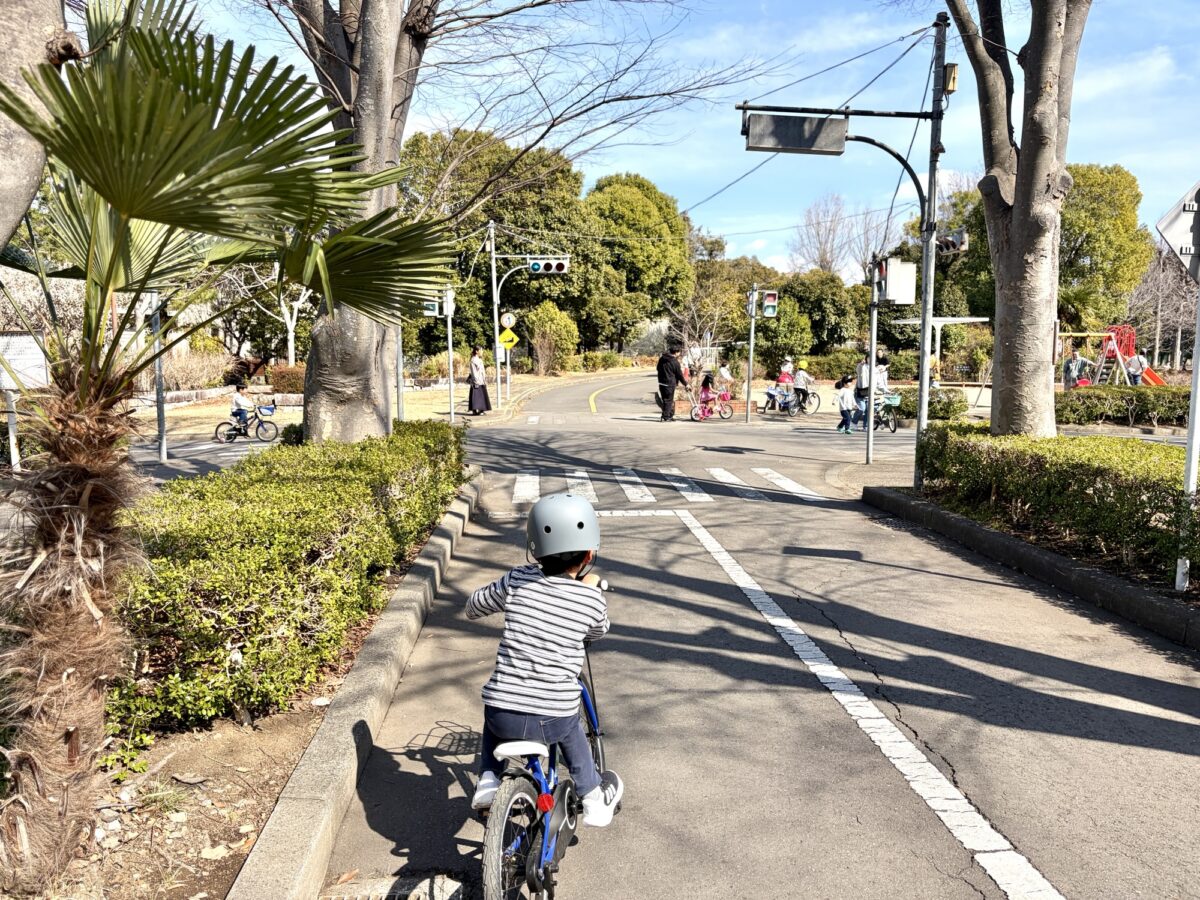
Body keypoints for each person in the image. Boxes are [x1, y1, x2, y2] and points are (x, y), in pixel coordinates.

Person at [466, 494, 624, 827]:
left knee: (498, 698)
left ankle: (489, 779)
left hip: (502, 717)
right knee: (570, 725)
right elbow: (598, 631)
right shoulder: (590, 598)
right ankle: (593, 796)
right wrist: (590, 590)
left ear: (534, 549)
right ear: (589, 554)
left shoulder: (516, 580)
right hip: (553, 718)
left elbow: (474, 606)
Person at [656, 344, 687, 421]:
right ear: (676, 352)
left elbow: (658, 368)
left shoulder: (662, 359)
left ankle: (669, 415)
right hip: (670, 383)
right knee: (668, 400)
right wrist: (686, 384)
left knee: (665, 400)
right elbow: (679, 375)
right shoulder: (675, 362)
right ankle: (666, 416)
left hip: (661, 382)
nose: (679, 354)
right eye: (679, 352)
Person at [468, 346, 491, 415]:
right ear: (476, 351)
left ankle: (481, 410)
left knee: (481, 396)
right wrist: (476, 381)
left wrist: (484, 379)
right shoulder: (473, 360)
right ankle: (475, 410)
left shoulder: (480, 360)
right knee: (475, 397)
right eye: (481, 350)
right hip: (477, 381)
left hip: (481, 380)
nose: (482, 352)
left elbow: (482, 371)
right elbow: (474, 372)